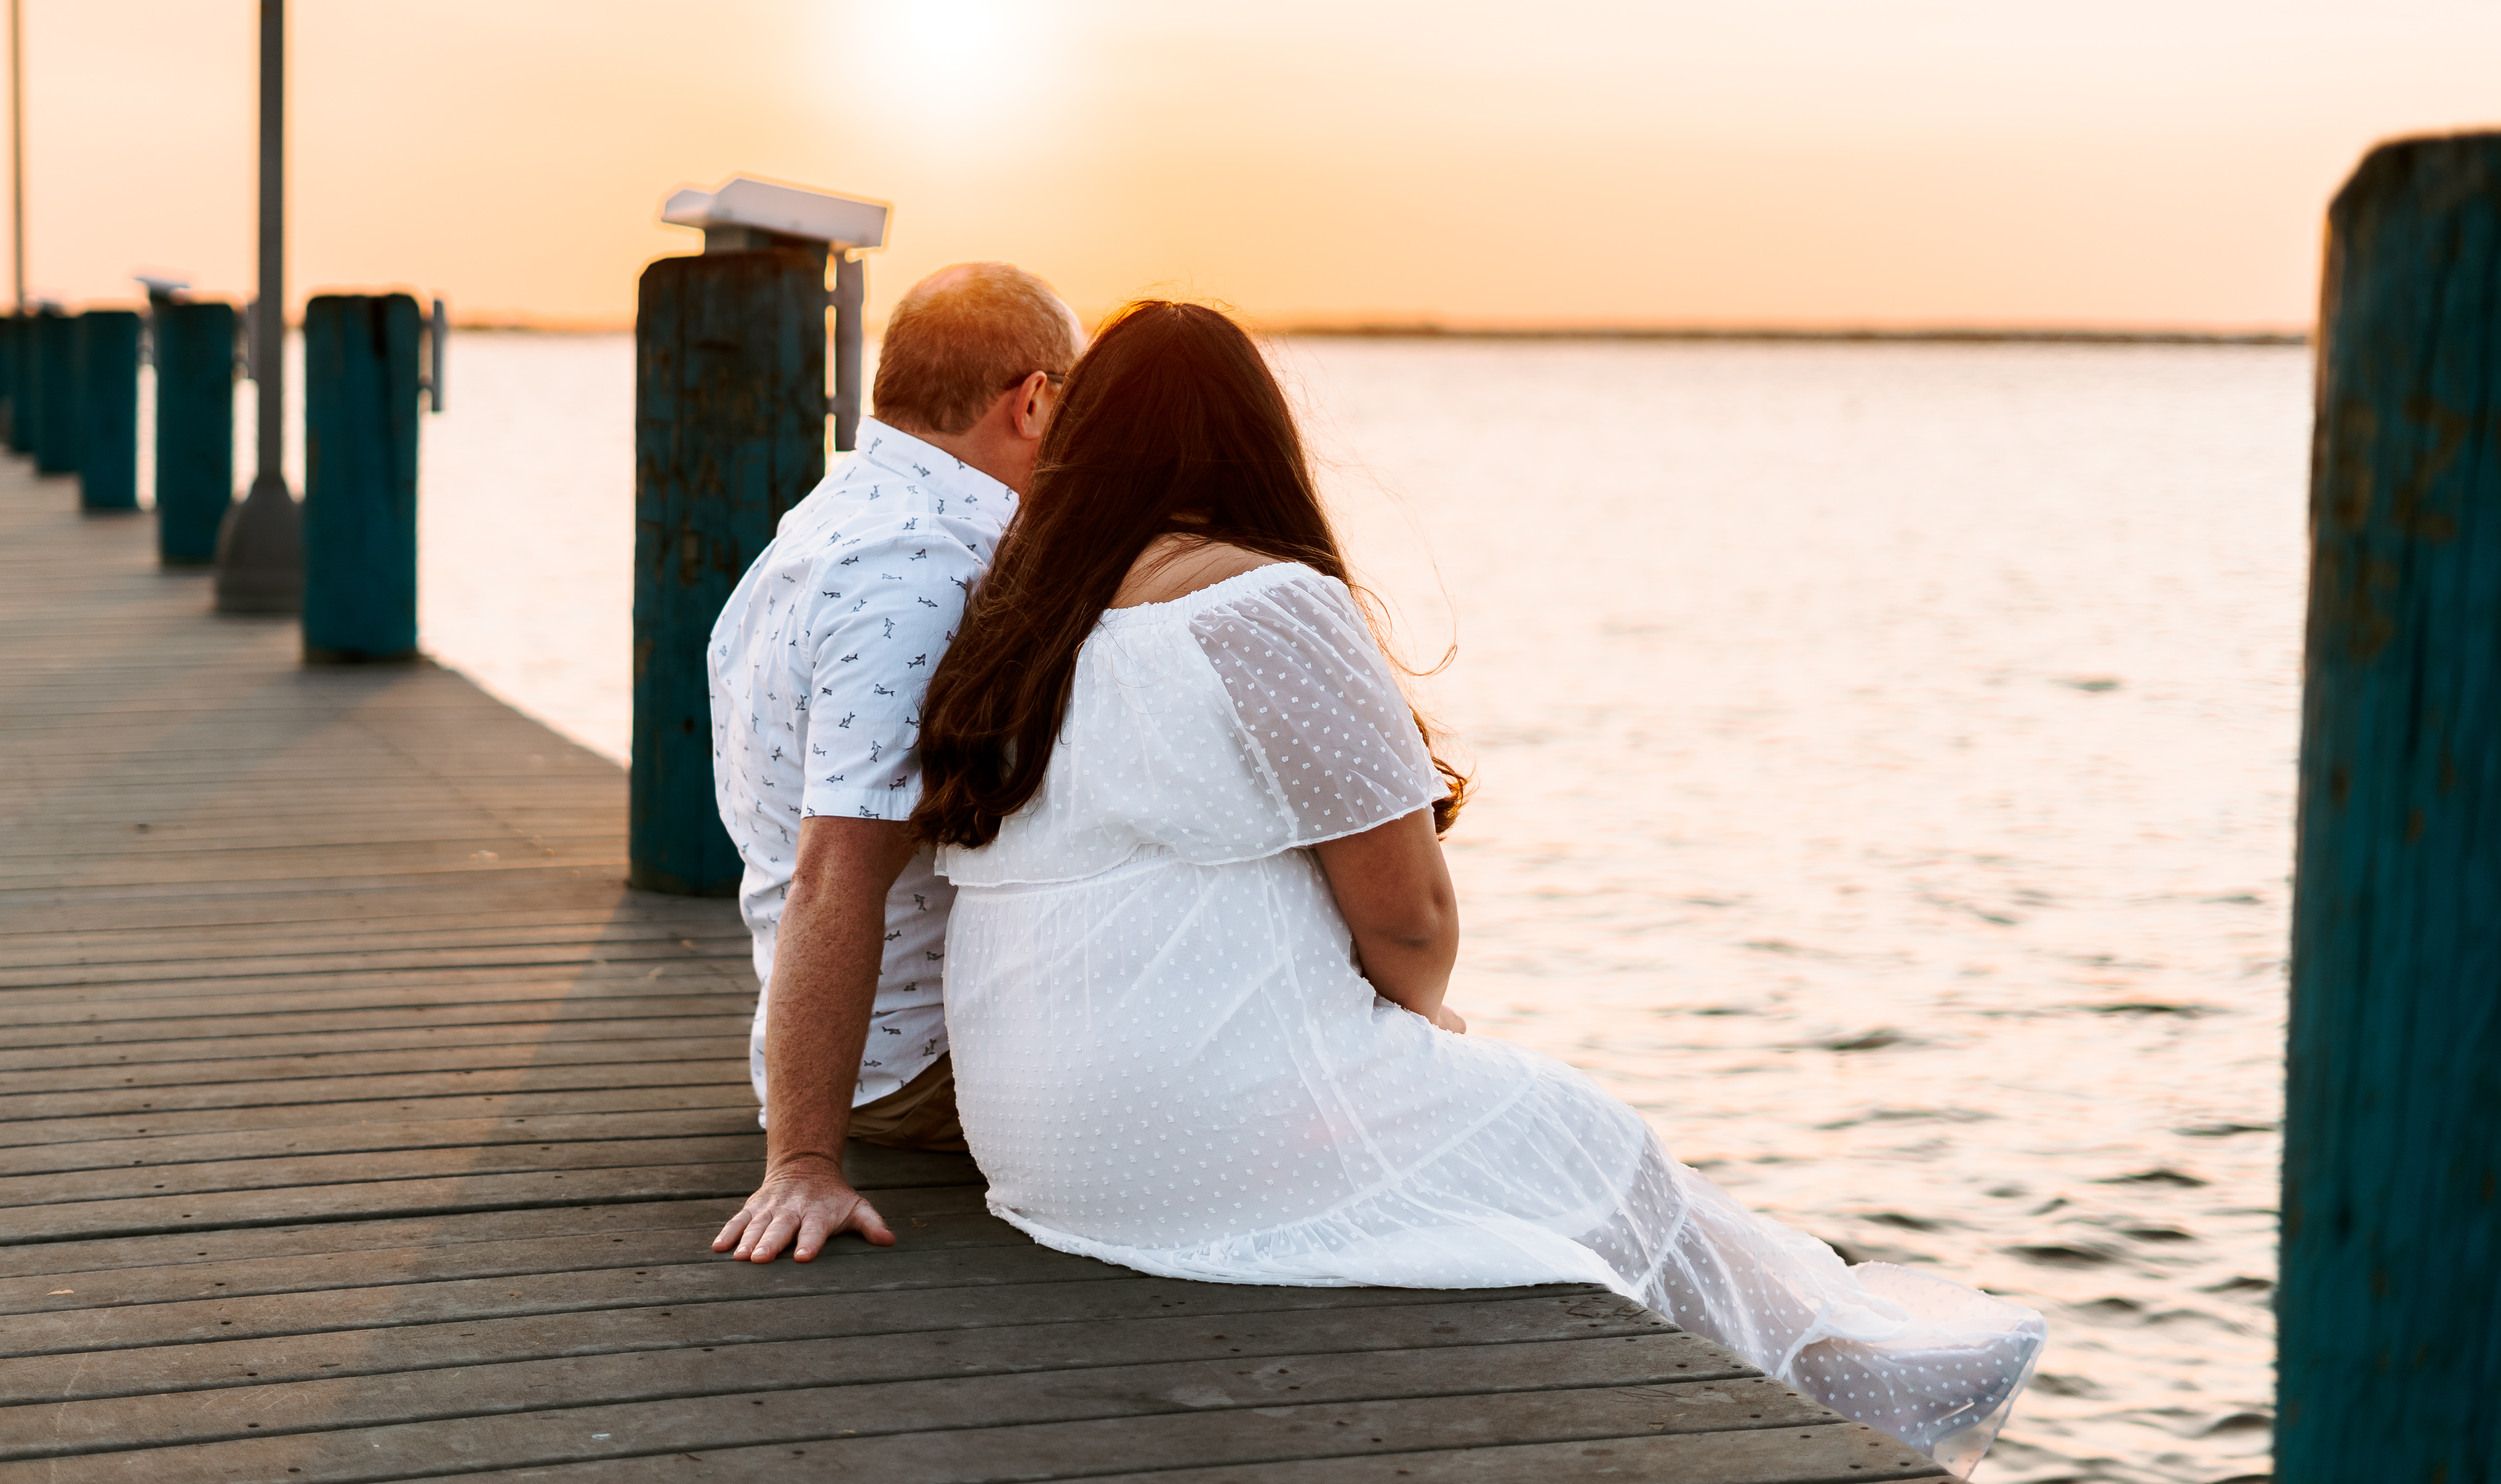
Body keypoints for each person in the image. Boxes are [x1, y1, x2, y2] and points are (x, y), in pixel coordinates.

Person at [908, 300, 2046, 1477]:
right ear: (1255, 442)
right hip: (1199, 1129)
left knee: (1547, 1138)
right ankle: (1852, 1384)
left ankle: (1848, 1355)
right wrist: (1417, 1024)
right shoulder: (1261, 602)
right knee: (1592, 1140)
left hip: (1037, 1148)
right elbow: (1411, 916)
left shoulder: (1019, 623)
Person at [707, 262, 1084, 1266]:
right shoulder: (916, 570)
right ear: (1034, 399)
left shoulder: (839, 514)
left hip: (895, 1047)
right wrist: (802, 1162)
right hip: (921, 1068)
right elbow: (836, 867)